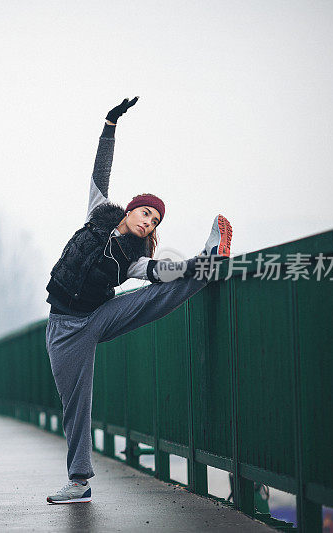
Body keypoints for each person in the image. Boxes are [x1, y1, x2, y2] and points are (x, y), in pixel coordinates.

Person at [45, 97, 233, 504]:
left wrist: (188, 265)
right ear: (130, 210)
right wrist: (110, 124)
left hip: (97, 316)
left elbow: (157, 273)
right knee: (74, 403)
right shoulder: (98, 213)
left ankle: (208, 262)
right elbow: (100, 169)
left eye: (154, 221)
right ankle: (79, 483)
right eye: (145, 213)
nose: (148, 221)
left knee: (157, 295)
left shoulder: (133, 257)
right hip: (63, 328)